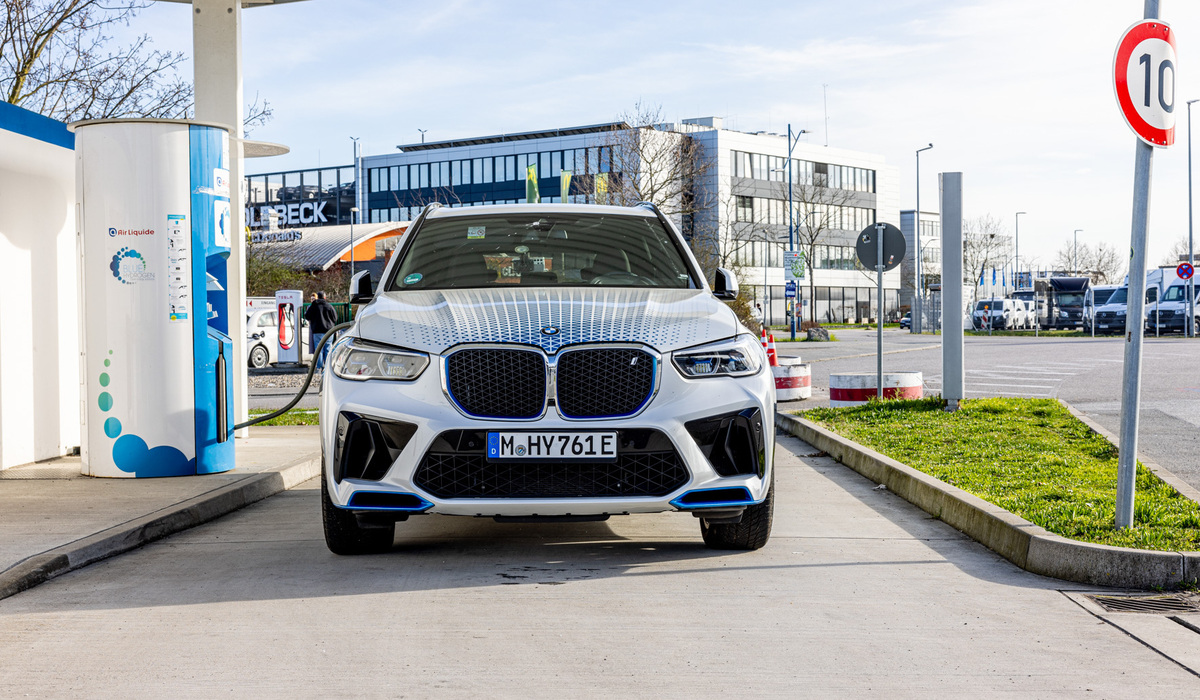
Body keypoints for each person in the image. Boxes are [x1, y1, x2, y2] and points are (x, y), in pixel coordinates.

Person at [304, 291, 338, 370]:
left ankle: (319, 367)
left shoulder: (313, 306)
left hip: (317, 331)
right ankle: (327, 367)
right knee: (328, 348)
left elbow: (307, 316)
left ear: (317, 297)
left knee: (318, 349)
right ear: (325, 297)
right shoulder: (329, 306)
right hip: (329, 331)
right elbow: (335, 318)